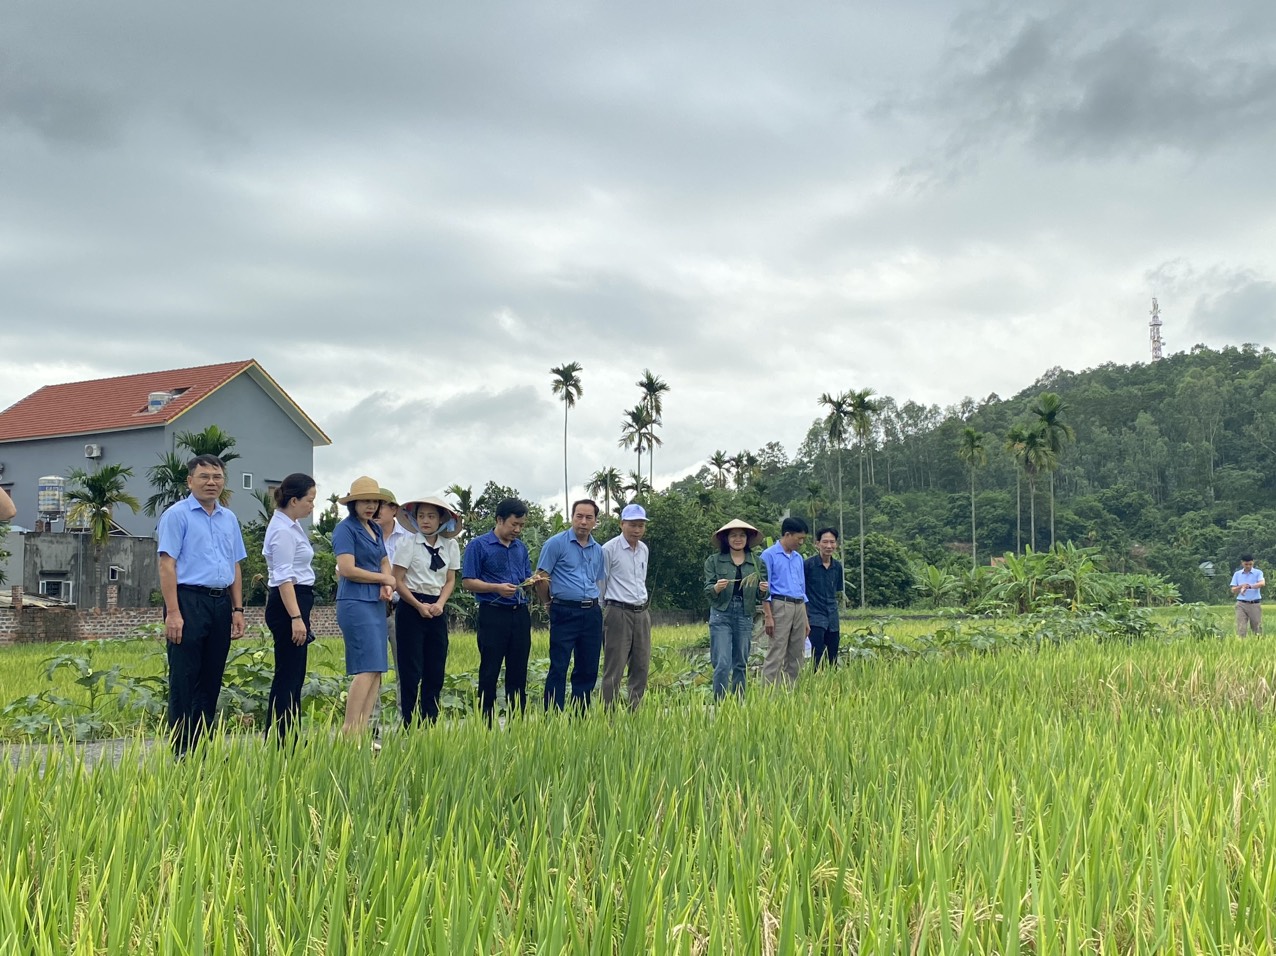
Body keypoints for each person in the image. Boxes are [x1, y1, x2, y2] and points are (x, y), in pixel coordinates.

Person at [156, 455, 248, 755]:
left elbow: (235, 566)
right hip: (187, 601)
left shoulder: (229, 518)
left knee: (211, 678)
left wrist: (237, 609)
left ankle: (201, 748)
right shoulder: (177, 515)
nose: (212, 482)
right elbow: (167, 565)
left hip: (220, 602)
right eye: (204, 476)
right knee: (184, 677)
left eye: (217, 477)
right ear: (190, 481)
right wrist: (173, 612)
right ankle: (181, 750)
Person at [332, 476, 396, 739]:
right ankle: (350, 729)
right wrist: (384, 579)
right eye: (365, 501)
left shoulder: (375, 528)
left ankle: (363, 728)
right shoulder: (345, 529)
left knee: (378, 667)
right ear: (353, 502)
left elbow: (383, 560)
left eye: (375, 501)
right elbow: (347, 569)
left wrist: (387, 583)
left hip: (375, 603)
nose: (370, 506)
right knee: (366, 666)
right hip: (355, 602)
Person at [392, 494, 463, 726]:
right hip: (411, 608)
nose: (425, 521)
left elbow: (450, 579)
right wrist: (417, 605)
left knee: (436, 666)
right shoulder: (407, 543)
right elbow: (398, 580)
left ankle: (430, 721)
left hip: (437, 607)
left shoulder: (450, 545)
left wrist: (440, 604)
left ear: (442, 519)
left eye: (431, 516)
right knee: (410, 668)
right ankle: (409, 723)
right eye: (421, 516)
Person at [461, 498, 532, 724]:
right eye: (514, 524)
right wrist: (496, 588)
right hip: (493, 613)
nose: (517, 530)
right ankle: (486, 724)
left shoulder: (521, 548)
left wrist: (531, 582)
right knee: (490, 670)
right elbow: (468, 582)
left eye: (521, 525)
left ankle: (516, 723)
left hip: (519, 614)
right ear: (499, 520)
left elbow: (525, 577)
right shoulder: (478, 545)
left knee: (518, 671)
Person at [535, 498, 606, 711]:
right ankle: (553, 716)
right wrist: (548, 603)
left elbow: (598, 580)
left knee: (588, 666)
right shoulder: (555, 544)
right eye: (579, 516)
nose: (583, 522)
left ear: (595, 521)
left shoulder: (598, 550)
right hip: (564, 610)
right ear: (572, 517)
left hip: (592, 612)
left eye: (589, 517)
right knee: (559, 665)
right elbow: (541, 577)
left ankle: (580, 716)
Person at [262, 473, 318, 742]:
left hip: (298, 599)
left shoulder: (291, 526)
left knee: (295, 673)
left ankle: (290, 735)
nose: (312, 506)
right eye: (309, 500)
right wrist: (296, 617)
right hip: (289, 602)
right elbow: (283, 577)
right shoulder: (283, 531)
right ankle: (281, 738)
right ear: (294, 500)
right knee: (288, 672)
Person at [703, 519, 769, 699]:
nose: (738, 539)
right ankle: (720, 703)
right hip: (721, 613)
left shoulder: (757, 562)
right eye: (733, 535)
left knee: (741, 662)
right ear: (726, 538)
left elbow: (761, 594)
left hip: (745, 614)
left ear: (748, 539)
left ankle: (739, 703)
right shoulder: (714, 561)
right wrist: (716, 588)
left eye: (742, 535)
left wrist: (763, 590)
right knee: (722, 663)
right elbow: (708, 591)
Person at [600, 503, 651, 710]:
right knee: (615, 667)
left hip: (642, 612)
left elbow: (641, 580)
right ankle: (608, 715)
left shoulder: (644, 549)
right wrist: (606, 612)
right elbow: (601, 583)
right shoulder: (608, 549)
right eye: (632, 525)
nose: (637, 530)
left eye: (640, 525)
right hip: (617, 611)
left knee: (641, 665)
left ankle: (635, 712)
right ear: (622, 524)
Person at [760, 516, 810, 686]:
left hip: (799, 606)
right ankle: (768, 694)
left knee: (797, 652)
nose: (801, 542)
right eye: (799, 538)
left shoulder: (798, 558)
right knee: (777, 651)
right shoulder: (769, 555)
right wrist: (768, 615)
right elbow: (765, 588)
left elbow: (802, 589)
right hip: (780, 605)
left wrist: (806, 619)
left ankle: (790, 693)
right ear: (787, 535)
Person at [804, 527, 843, 670]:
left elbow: (837, 591)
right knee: (817, 655)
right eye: (825, 542)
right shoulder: (808, 565)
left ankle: (830, 684)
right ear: (817, 543)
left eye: (832, 542)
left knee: (832, 656)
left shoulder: (837, 567)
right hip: (814, 616)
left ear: (836, 544)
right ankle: (815, 685)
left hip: (832, 615)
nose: (829, 546)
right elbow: (802, 591)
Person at [1231, 553, 1265, 636]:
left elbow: (1262, 583)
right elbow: (1233, 590)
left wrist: (1249, 586)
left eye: (1250, 564)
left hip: (1254, 604)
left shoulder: (1258, 573)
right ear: (1242, 563)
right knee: (1241, 628)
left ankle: (1258, 644)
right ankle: (1241, 645)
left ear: (1253, 562)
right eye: (1246, 564)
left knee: (1256, 628)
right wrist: (1241, 586)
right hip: (1241, 604)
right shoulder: (1237, 574)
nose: (1248, 566)